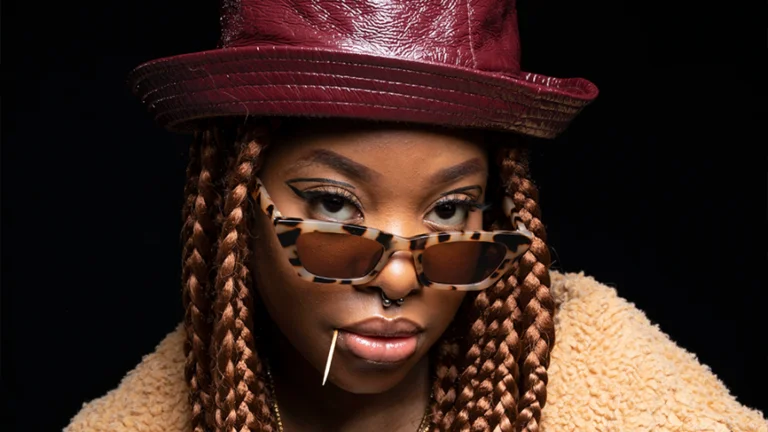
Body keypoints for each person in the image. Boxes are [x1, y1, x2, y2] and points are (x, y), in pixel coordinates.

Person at [65, 0, 767, 431]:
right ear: (233, 210)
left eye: (452, 210)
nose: (399, 277)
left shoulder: (633, 397)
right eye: (335, 206)